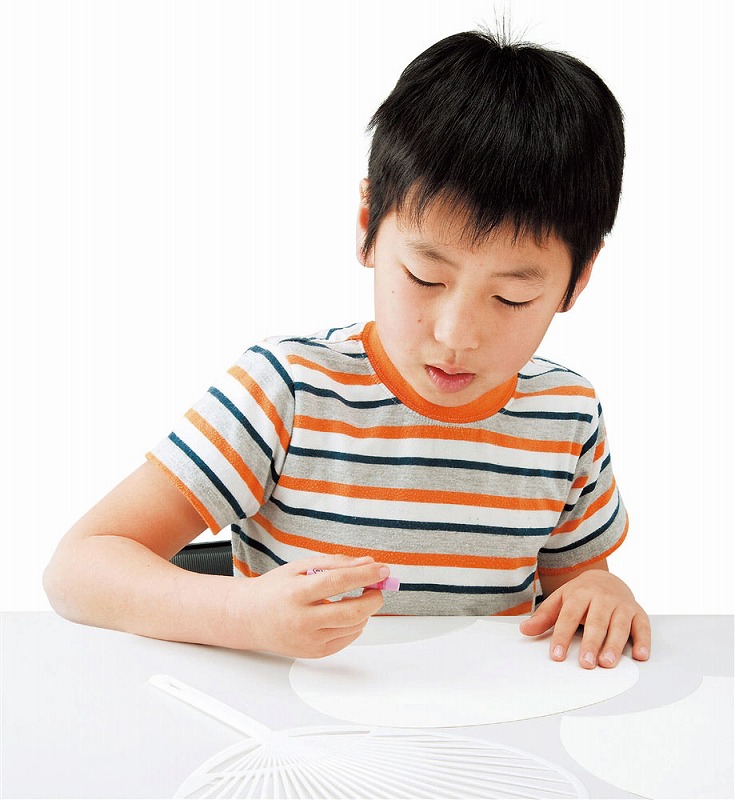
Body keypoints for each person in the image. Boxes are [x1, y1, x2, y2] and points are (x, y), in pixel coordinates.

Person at [43, 29, 651, 668]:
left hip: (481, 724)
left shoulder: (566, 416)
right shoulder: (288, 390)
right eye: (425, 277)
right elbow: (78, 568)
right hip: (290, 721)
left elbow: (577, 588)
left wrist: (603, 595)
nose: (456, 336)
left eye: (511, 298)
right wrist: (243, 614)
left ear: (578, 279)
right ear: (367, 226)